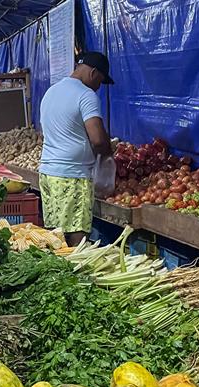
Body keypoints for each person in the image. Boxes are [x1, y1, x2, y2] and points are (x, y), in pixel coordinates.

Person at [39, 51, 113, 246]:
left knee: (55, 234)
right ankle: (75, 272)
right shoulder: (86, 95)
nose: (98, 87)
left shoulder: (51, 92)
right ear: (93, 73)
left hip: (47, 172)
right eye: (101, 81)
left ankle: (55, 272)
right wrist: (108, 155)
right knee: (76, 235)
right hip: (72, 176)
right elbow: (98, 140)